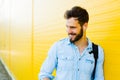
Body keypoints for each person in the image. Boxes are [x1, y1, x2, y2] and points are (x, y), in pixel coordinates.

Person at [39, 6, 104, 80]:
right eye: (67, 27)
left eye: (73, 27)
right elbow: (44, 74)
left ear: (84, 26)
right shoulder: (58, 47)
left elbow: (99, 78)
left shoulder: (98, 51)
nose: (68, 31)